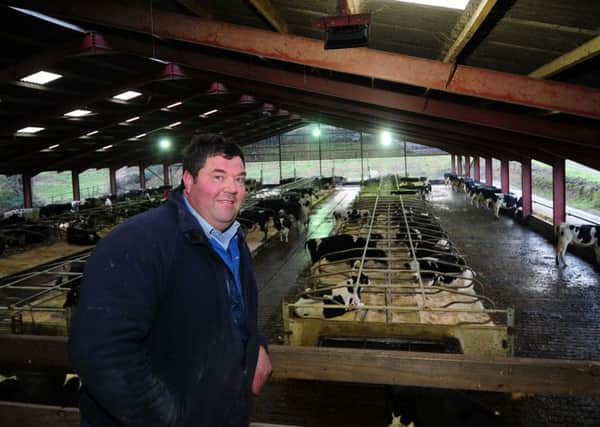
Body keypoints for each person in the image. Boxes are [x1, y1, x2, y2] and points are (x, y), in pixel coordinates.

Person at [69, 133, 272, 426]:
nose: (232, 188)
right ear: (188, 181)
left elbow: (236, 312)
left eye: (239, 179)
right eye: (218, 176)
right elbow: (101, 352)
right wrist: (167, 417)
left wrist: (256, 344)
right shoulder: (138, 242)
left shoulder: (234, 242)